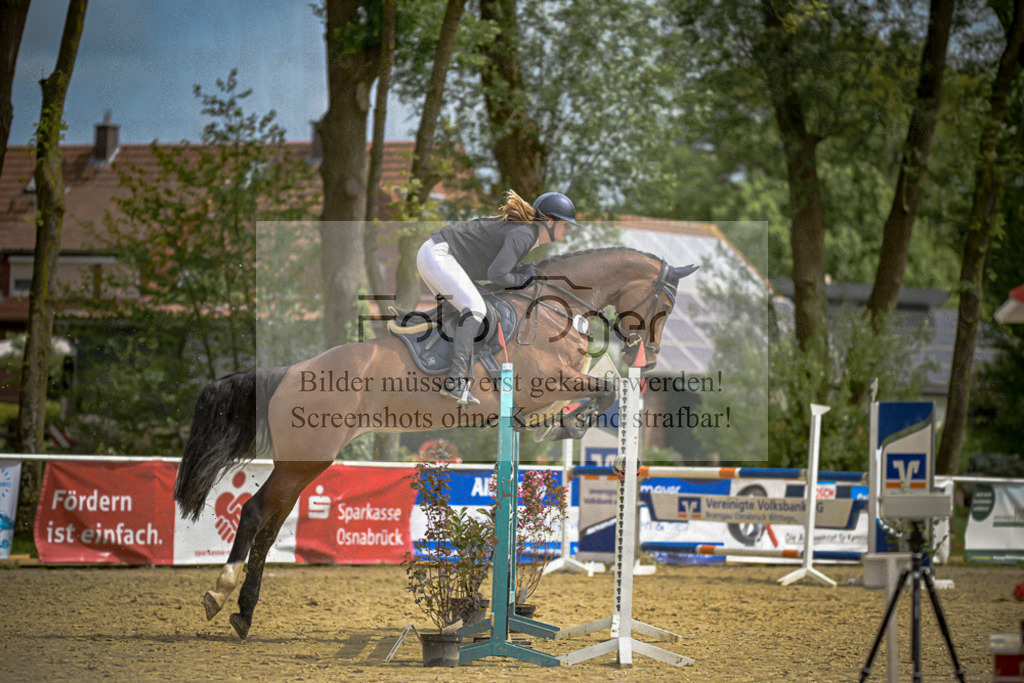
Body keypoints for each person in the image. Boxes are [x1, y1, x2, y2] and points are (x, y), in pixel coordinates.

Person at [416, 190, 578, 406]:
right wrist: (524, 279)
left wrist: (521, 272)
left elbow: (497, 268)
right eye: (565, 223)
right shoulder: (524, 234)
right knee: (475, 308)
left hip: (441, 256)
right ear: (549, 221)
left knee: (479, 308)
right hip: (439, 255)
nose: (568, 228)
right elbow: (497, 275)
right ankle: (454, 381)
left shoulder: (526, 235)